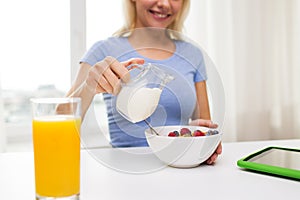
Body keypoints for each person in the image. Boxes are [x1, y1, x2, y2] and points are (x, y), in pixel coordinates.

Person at [67, 0, 222, 164]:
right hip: (125, 169)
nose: (164, 4)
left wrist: (198, 135)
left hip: (179, 167)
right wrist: (88, 86)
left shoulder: (192, 54)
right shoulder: (104, 50)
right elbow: (58, 118)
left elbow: (204, 125)